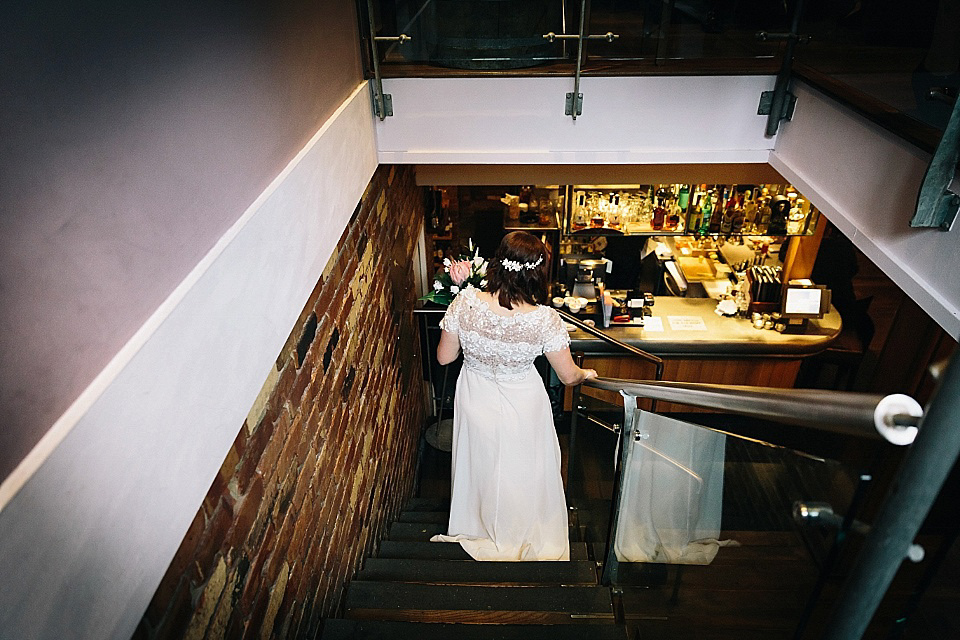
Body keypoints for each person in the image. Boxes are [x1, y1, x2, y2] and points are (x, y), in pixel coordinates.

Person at [430, 231, 598, 561]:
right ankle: (519, 529)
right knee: (522, 467)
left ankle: (478, 524)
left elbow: (444, 358)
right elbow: (567, 376)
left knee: (481, 462)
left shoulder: (465, 303)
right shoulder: (545, 319)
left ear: (497, 264)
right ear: (537, 272)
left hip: (476, 395)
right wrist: (585, 374)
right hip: (523, 401)